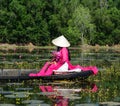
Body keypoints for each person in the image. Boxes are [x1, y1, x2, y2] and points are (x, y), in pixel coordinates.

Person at [29, 35, 98, 77]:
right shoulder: (61, 48)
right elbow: (59, 56)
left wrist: (56, 63)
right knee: (48, 63)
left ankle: (43, 75)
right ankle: (41, 74)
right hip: (60, 63)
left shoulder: (64, 49)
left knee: (50, 67)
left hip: (63, 64)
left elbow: (64, 60)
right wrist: (54, 58)